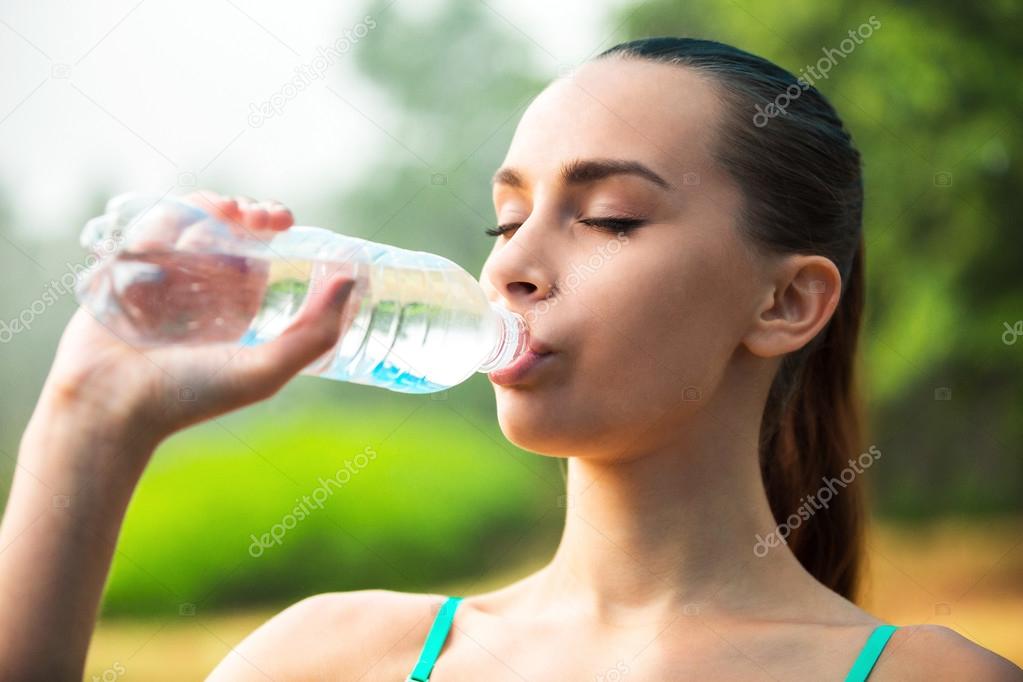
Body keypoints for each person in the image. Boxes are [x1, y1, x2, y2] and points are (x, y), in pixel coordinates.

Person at [1, 37, 1019, 681]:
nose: (514, 267)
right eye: (505, 220)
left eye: (611, 218)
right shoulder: (332, 657)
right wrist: (92, 415)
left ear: (788, 300)